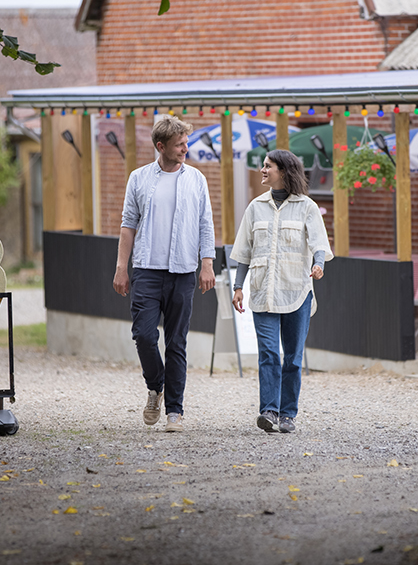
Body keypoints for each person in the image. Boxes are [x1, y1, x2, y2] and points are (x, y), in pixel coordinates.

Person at [113, 116, 216, 432]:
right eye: (180, 144)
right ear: (161, 146)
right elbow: (128, 224)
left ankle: (175, 411)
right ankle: (154, 385)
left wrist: (207, 263)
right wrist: (121, 268)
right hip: (145, 270)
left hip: (183, 270)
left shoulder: (196, 179)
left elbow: (205, 224)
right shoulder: (139, 178)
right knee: (144, 335)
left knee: (176, 342)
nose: (186, 148)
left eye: (186, 142)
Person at [230, 149, 333, 433]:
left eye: (268, 166)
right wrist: (238, 287)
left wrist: (319, 264)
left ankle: (288, 414)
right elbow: (244, 252)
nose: (262, 170)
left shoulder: (307, 207)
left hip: (297, 293)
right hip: (262, 292)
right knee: (268, 354)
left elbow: (319, 244)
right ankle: (269, 411)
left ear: (284, 171)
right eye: (263, 166)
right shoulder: (255, 207)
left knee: (293, 357)